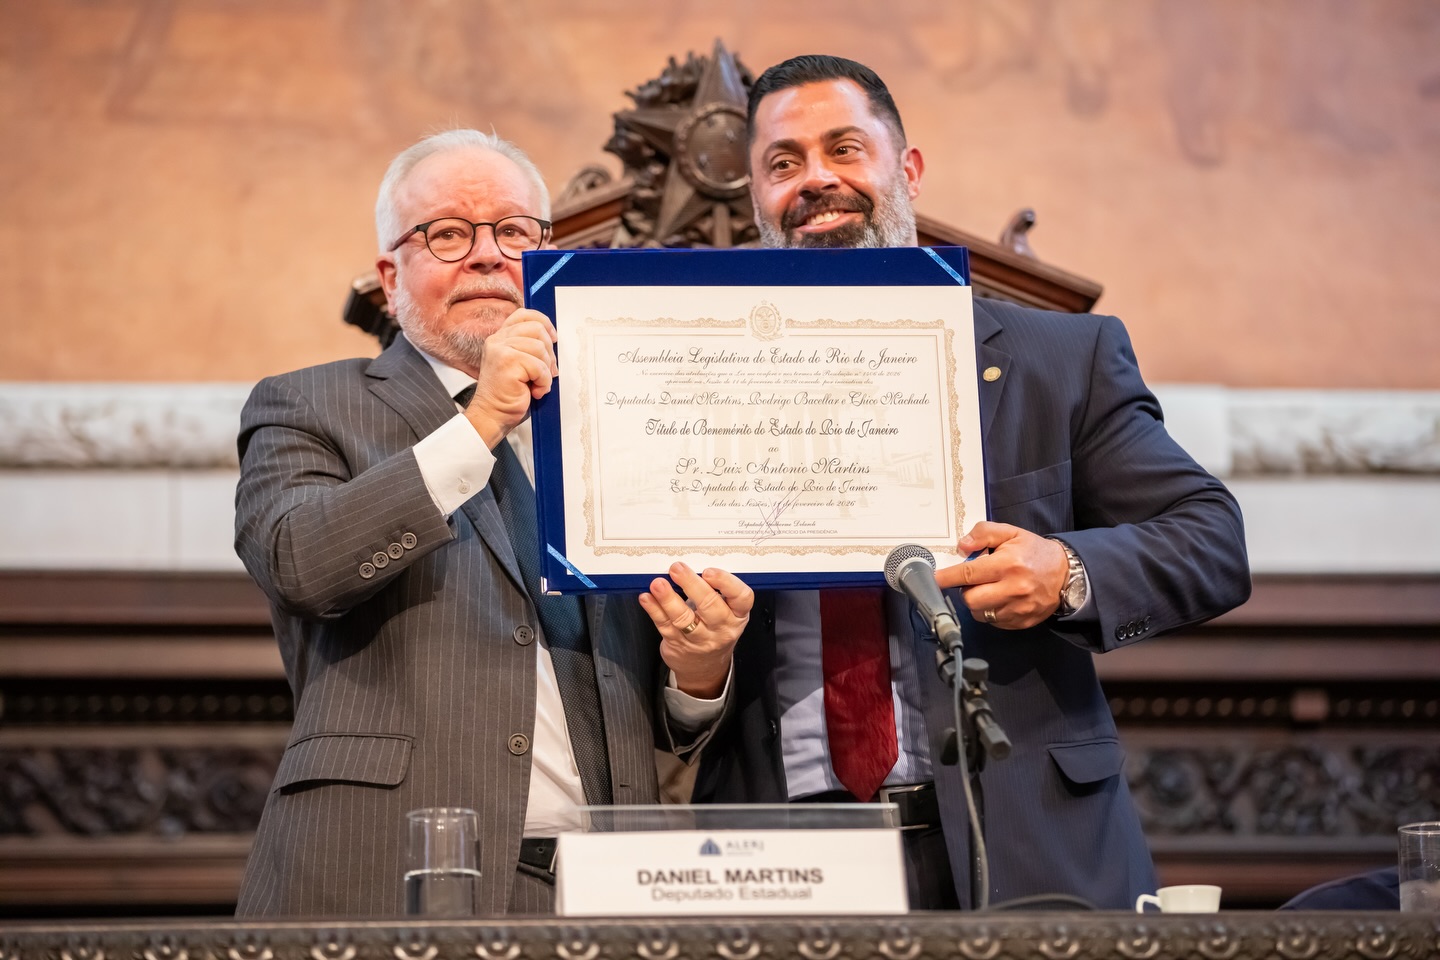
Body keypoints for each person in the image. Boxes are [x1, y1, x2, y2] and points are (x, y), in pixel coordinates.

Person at [679, 55, 1251, 911]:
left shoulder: (1061, 360)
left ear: (905, 169)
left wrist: (1066, 572)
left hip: (1027, 843)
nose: (816, 181)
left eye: (844, 148)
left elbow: (1212, 538)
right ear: (756, 197)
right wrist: (696, 667)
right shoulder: (686, 382)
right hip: (777, 857)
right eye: (784, 163)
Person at [233, 129, 748, 917]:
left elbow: (664, 707)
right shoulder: (307, 403)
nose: (485, 255)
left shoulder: (618, 421)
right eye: (446, 233)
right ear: (389, 274)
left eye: (513, 231)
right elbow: (301, 561)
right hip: (382, 875)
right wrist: (480, 424)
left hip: (606, 893)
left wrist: (699, 672)